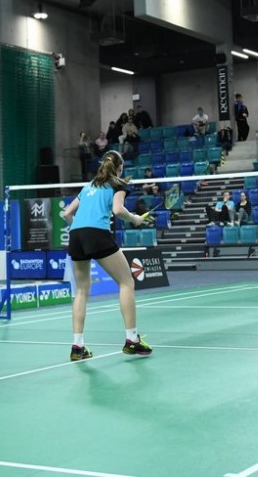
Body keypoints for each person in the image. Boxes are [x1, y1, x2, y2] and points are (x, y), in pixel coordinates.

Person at [60, 150, 152, 361]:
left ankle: (77, 346)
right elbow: (118, 210)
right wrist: (135, 219)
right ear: (120, 167)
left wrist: (80, 230)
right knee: (126, 282)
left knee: (81, 291)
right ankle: (132, 340)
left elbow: (66, 213)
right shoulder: (117, 184)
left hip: (76, 235)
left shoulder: (88, 186)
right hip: (97, 234)